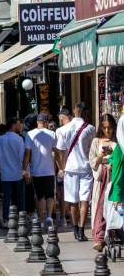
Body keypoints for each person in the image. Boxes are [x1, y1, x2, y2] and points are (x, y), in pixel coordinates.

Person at [56, 101, 96, 241]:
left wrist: (62, 167)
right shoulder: (90, 129)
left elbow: (60, 151)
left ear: (74, 111)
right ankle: (81, 230)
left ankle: (74, 228)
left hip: (70, 168)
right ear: (86, 113)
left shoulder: (64, 129)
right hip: (86, 167)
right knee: (84, 200)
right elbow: (92, 148)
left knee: (73, 200)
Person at [23, 113, 60, 229]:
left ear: (37, 123)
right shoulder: (52, 134)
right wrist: (60, 166)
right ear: (46, 122)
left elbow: (27, 154)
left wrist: (24, 169)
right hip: (49, 170)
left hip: (36, 171)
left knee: (38, 196)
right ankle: (49, 216)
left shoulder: (29, 134)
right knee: (49, 195)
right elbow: (56, 151)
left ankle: (40, 218)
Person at [89, 114, 117, 251]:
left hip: (114, 179)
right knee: (100, 207)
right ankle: (99, 239)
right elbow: (92, 162)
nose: (107, 131)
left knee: (113, 208)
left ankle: (111, 235)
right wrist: (101, 156)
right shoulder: (96, 141)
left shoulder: (118, 141)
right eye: (104, 128)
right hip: (101, 180)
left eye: (110, 128)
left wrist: (114, 163)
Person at [0, 117, 24, 224]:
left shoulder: (0, 139)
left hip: (5, 173)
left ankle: (6, 219)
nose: (20, 127)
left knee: (6, 197)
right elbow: (22, 157)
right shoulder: (19, 139)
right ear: (13, 125)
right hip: (17, 173)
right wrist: (26, 170)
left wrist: (1, 169)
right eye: (19, 124)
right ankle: (21, 218)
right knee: (20, 197)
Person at [55, 108, 72, 226]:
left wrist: (60, 167)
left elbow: (58, 151)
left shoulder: (60, 131)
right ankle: (72, 215)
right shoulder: (79, 128)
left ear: (61, 119)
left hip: (64, 165)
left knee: (63, 192)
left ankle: (63, 216)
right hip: (77, 165)